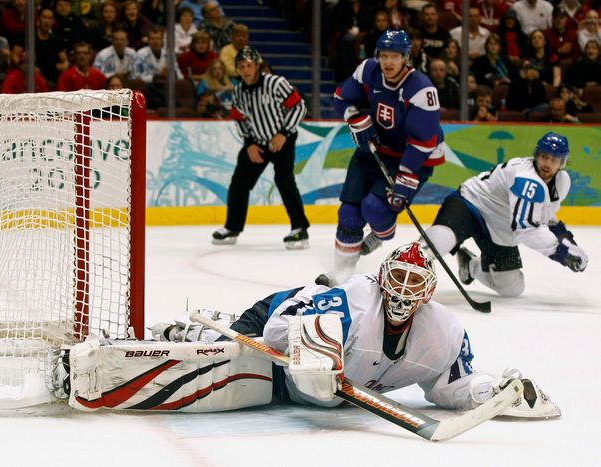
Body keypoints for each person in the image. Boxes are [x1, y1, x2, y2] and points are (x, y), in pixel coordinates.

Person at [148, 242, 560, 419]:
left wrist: (494, 395)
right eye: (397, 277)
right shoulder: (353, 304)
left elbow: (449, 388)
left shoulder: (444, 331)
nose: (402, 290)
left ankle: (212, 330)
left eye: (413, 282)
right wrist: (315, 355)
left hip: (305, 384)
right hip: (273, 317)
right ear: (382, 277)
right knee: (232, 359)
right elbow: (275, 332)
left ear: (429, 292)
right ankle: (202, 330)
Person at [316, 30, 445, 287]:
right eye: (384, 55)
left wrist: (406, 176)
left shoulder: (422, 89)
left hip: (413, 157)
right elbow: (342, 97)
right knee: (349, 212)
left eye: (394, 56)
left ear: (406, 58)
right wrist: (354, 116)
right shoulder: (368, 71)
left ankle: (380, 233)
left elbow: (423, 141)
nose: (388, 62)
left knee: (375, 209)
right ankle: (342, 273)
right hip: (374, 148)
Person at [423, 132, 588, 298]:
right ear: (537, 155)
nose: (547, 163)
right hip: (470, 204)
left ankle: (470, 265)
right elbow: (526, 230)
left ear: (562, 163)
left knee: (512, 288)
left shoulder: (561, 182)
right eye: (544, 157)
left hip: (499, 228)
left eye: (554, 160)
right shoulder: (527, 178)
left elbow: (548, 220)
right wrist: (562, 252)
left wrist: (570, 246)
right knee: (439, 242)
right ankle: (405, 263)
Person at [211, 46, 309, 249]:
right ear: (237, 69)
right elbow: (239, 119)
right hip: (257, 143)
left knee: (284, 180)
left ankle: (300, 229)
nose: (246, 70)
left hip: (282, 140)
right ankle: (232, 227)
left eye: (249, 65)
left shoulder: (275, 83)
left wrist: (284, 133)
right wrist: (249, 144)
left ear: (257, 66)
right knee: (239, 183)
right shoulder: (238, 91)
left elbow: (299, 106)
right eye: (241, 66)